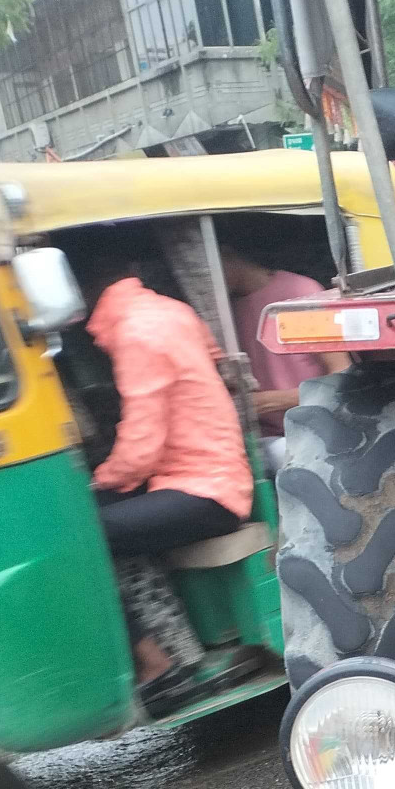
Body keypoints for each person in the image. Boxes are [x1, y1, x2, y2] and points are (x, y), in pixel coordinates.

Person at [78, 243, 257, 715]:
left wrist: (97, 483)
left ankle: (156, 663)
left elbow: (142, 444)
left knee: (78, 539)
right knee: (94, 522)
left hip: (205, 489)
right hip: (205, 476)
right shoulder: (169, 310)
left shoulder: (136, 332)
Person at [220, 243, 349, 471]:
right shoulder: (226, 311)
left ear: (227, 253)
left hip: (318, 429)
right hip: (266, 438)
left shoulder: (298, 293)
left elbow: (342, 378)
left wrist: (267, 402)